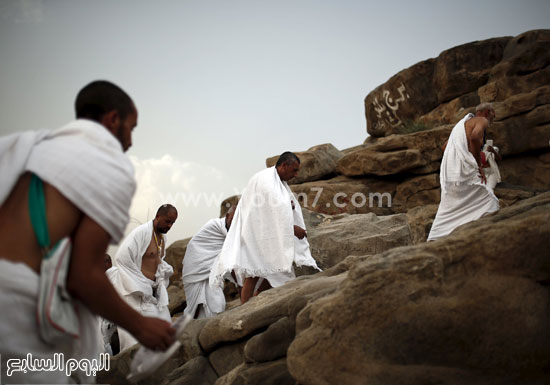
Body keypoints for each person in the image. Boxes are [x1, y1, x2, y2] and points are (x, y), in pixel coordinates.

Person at [0, 80, 175, 384]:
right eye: (131, 128)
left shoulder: (17, 148)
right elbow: (83, 276)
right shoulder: (106, 165)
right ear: (112, 120)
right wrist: (141, 326)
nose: (131, 141)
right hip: (28, 320)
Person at [209, 152, 320, 304]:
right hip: (254, 231)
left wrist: (289, 205)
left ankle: (256, 298)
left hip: (262, 231)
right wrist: (294, 229)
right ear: (284, 166)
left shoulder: (275, 180)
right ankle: (244, 307)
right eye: (294, 170)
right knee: (254, 272)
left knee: (274, 266)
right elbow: (272, 211)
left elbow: (278, 205)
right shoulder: (267, 180)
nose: (296, 174)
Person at [107, 204, 178, 352]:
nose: (169, 226)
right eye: (167, 221)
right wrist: (139, 284)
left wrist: (163, 271)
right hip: (135, 293)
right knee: (134, 341)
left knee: (165, 329)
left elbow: (156, 260)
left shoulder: (161, 237)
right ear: (158, 217)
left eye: (172, 223)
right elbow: (121, 257)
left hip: (153, 293)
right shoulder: (141, 233)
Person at [427, 103, 500, 241]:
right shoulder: (481, 121)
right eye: (493, 113)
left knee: (449, 209)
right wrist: (477, 164)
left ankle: (435, 236)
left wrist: (459, 159)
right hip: (464, 173)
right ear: (487, 112)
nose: (494, 116)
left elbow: (445, 147)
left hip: (451, 174)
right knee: (490, 202)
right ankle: (486, 236)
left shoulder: (460, 126)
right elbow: (474, 137)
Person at [182, 205, 236, 319]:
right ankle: (192, 328)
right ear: (227, 216)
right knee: (195, 307)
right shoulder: (215, 225)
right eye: (233, 218)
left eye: (238, 219)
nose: (235, 222)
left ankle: (210, 329)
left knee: (217, 302)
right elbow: (195, 245)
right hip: (195, 268)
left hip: (212, 273)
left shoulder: (234, 233)